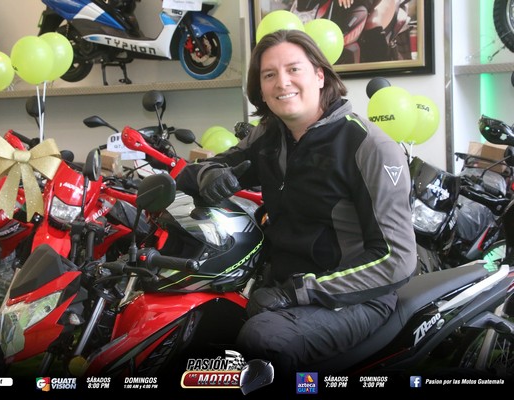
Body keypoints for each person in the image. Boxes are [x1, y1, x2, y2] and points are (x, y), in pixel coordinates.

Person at [175, 29, 416, 380]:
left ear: (319, 75)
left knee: (263, 340)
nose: (282, 82)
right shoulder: (270, 136)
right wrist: (209, 175)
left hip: (356, 295)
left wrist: (296, 293)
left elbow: (397, 260)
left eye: (293, 69)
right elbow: (197, 171)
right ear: (260, 89)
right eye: (269, 75)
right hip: (280, 284)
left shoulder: (368, 146)